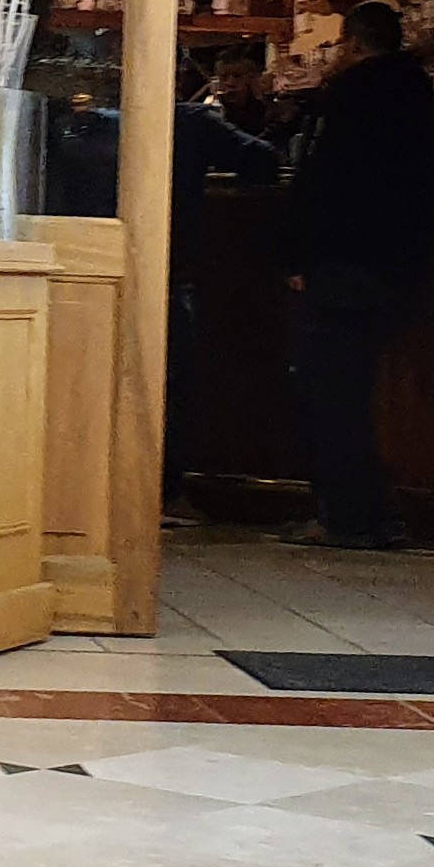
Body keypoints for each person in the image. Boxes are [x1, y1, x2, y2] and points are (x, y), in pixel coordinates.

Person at [280, 0, 434, 548]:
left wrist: (299, 257)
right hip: (399, 265)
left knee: (333, 393)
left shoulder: (348, 98)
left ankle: (351, 516)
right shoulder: (420, 94)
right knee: (357, 391)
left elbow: (321, 183)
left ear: (353, 43)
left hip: (343, 264)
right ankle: (369, 513)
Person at [164, 56, 282, 521]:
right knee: (171, 382)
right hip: (170, 266)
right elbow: (263, 161)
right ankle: (164, 492)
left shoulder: (84, 119)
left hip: (91, 261)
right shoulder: (192, 122)